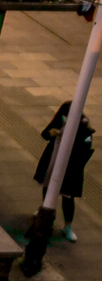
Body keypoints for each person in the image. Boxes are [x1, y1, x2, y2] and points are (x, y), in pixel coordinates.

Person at [35, 102, 94, 242]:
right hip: (54, 159)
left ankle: (68, 225)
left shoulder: (84, 128)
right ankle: (46, 211)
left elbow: (84, 149)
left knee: (67, 196)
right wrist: (52, 133)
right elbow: (45, 133)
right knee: (48, 186)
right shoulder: (60, 120)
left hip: (71, 167)